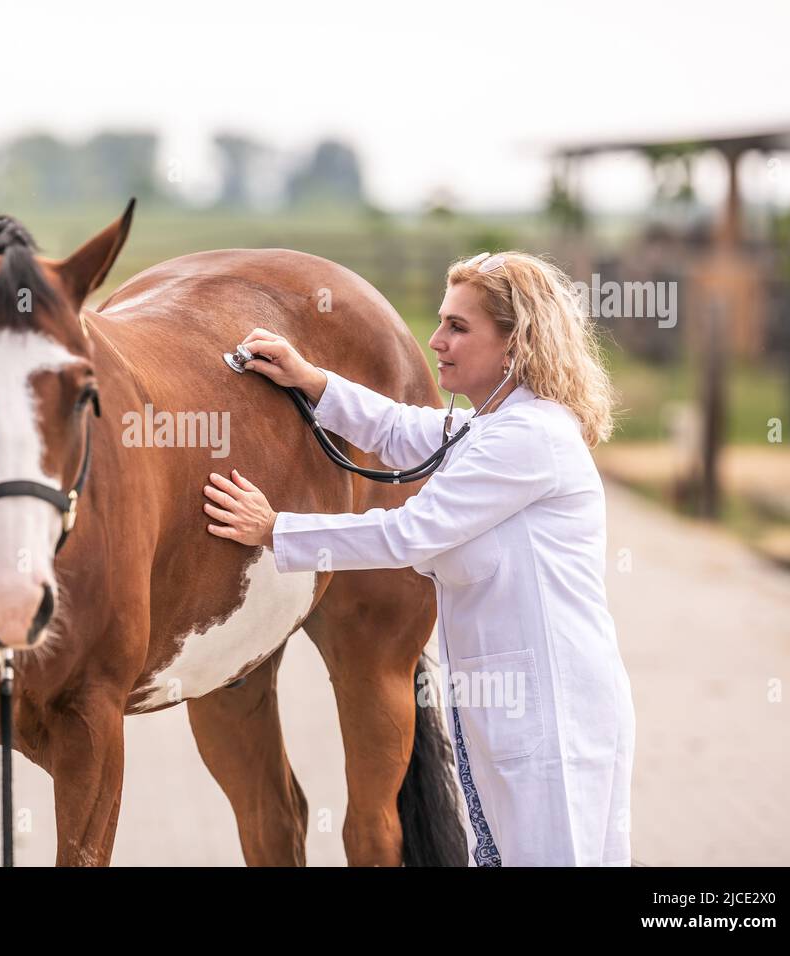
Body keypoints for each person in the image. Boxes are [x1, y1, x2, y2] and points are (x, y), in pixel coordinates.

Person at [202, 251, 636, 866]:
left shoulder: (529, 438)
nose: (437, 341)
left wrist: (276, 531)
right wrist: (310, 379)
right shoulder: (493, 426)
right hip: (514, 707)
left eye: (458, 327)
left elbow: (409, 534)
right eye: (441, 321)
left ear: (516, 345)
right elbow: (402, 429)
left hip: (555, 714)